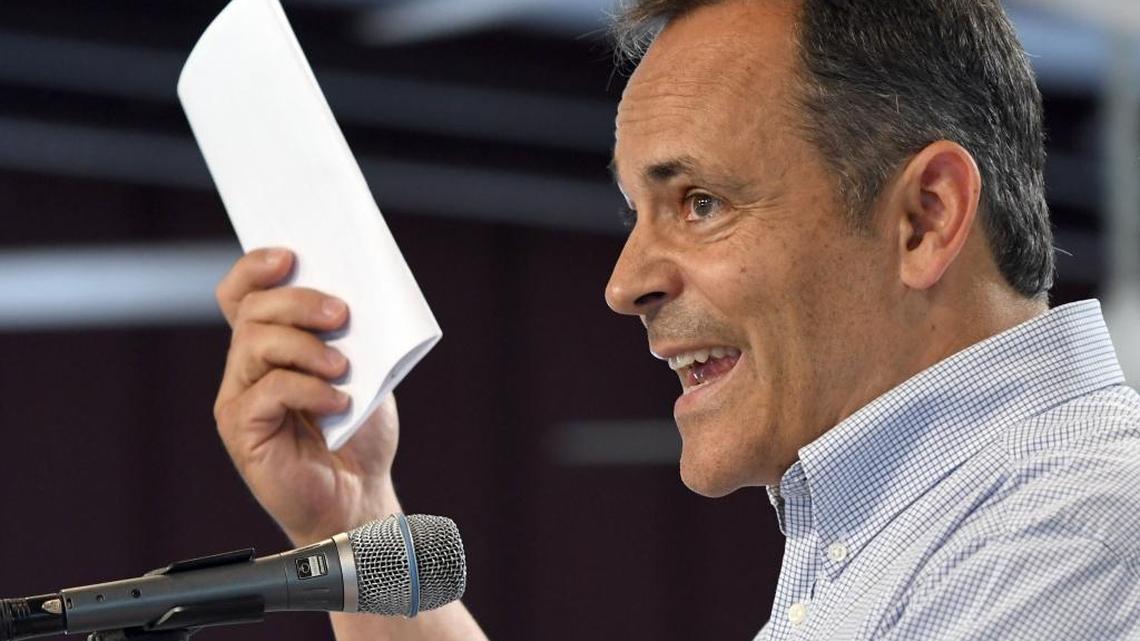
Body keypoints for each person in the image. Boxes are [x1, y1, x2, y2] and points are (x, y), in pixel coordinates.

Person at [211, 0, 1140, 639]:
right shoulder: (949, 535)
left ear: (925, 218)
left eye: (699, 202)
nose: (625, 284)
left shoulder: (1076, 540)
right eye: (636, 212)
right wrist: (358, 517)